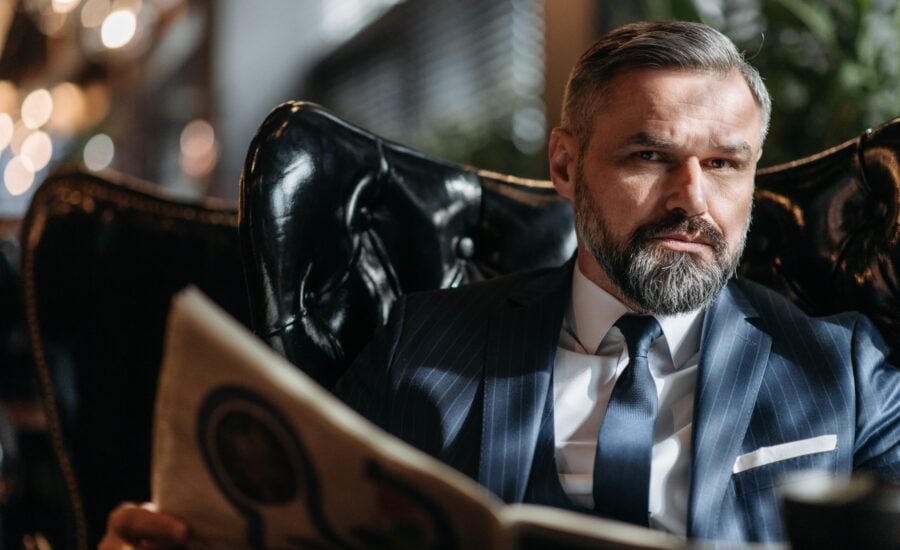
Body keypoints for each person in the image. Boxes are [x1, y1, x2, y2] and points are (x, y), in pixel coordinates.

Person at [101, 19, 900, 547]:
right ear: (564, 164)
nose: (693, 199)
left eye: (725, 164)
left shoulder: (845, 372)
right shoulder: (421, 344)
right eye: (649, 157)